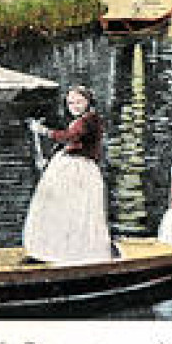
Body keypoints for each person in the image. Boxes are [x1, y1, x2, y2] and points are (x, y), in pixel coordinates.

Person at [23, 86, 113, 263]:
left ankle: (77, 251)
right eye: (71, 102)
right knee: (60, 207)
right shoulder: (80, 120)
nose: (74, 106)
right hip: (69, 168)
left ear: (88, 102)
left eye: (79, 102)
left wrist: (43, 131)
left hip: (81, 171)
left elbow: (71, 136)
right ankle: (56, 249)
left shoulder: (90, 120)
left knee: (77, 209)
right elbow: (69, 142)